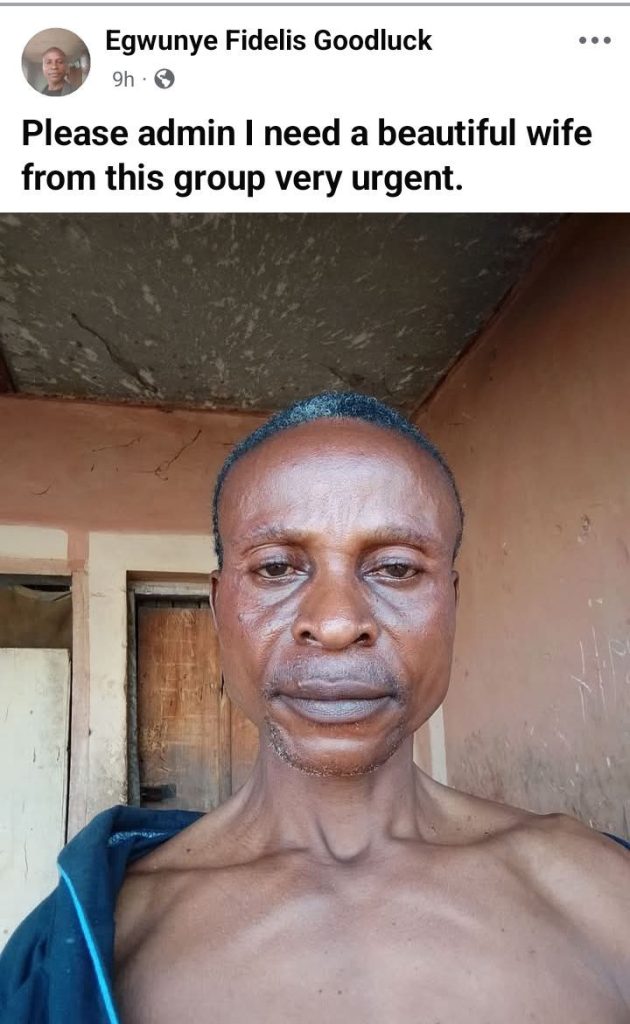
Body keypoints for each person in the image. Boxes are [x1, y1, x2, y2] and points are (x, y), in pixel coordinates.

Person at [1, 391, 628, 1023]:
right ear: (218, 607)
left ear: (451, 604)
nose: (335, 623)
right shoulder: (83, 944)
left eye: (396, 569)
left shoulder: (600, 890)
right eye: (277, 568)